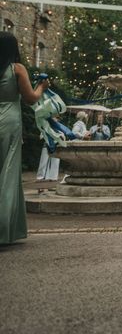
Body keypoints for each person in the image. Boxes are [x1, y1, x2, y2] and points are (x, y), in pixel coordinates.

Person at [1, 31, 49, 244]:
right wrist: (42, 87)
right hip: (9, 120)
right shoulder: (16, 69)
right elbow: (30, 98)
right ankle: (3, 229)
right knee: (8, 173)